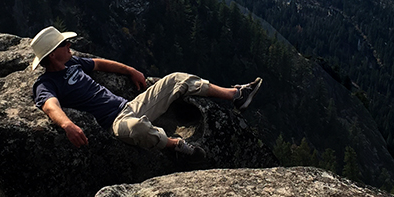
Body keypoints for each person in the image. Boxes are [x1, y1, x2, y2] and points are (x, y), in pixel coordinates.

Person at [30, 26, 262, 155]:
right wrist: (68, 125)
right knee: (137, 127)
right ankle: (176, 145)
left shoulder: (73, 63)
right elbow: (50, 105)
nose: (70, 45)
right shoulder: (46, 84)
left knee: (174, 80)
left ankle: (235, 95)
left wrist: (130, 70)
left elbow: (100, 64)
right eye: (64, 44)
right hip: (114, 124)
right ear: (52, 54)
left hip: (128, 106)